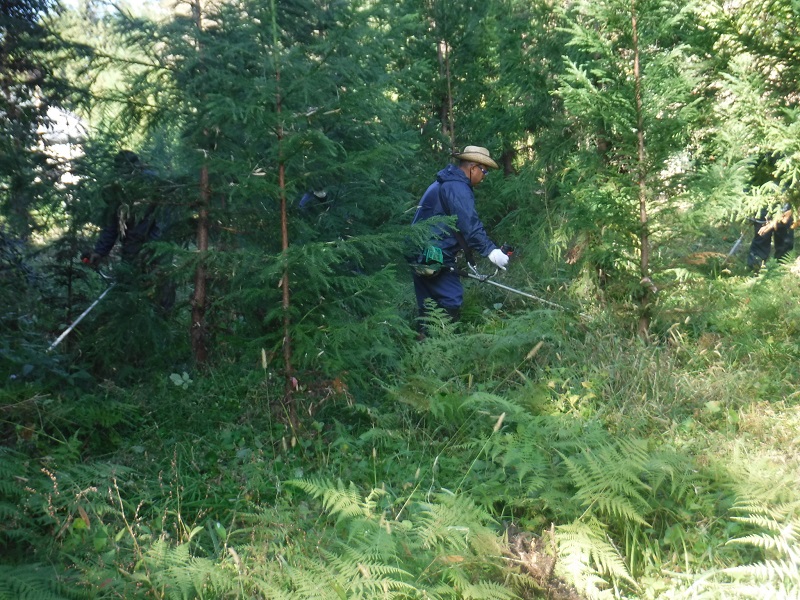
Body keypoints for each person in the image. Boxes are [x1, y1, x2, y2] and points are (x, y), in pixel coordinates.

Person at [410, 145, 509, 327]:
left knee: (427, 307)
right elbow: (469, 225)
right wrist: (491, 252)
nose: (484, 177)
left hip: (418, 252)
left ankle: (424, 348)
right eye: (484, 172)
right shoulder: (457, 187)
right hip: (435, 255)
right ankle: (444, 345)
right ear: (473, 168)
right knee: (451, 299)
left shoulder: (443, 182)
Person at [83, 150, 175, 309]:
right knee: (130, 288)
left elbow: (164, 219)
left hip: (159, 248)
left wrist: (151, 248)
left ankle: (163, 317)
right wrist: (100, 251)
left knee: (161, 288)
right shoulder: (118, 189)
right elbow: (112, 224)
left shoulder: (153, 184)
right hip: (131, 247)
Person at [747, 202, 794, 270]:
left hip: (786, 204)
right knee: (761, 237)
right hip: (763, 202)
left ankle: (782, 267)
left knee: (785, 241)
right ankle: (755, 267)